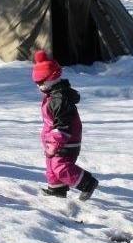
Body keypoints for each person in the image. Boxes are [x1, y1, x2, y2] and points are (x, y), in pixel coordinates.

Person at [33, 51, 98, 200]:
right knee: (51, 166)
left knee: (60, 167)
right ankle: (57, 189)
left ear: (52, 77)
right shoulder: (52, 95)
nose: (39, 86)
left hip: (66, 141)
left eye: (41, 82)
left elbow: (63, 125)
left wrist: (54, 142)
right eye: (37, 83)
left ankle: (87, 183)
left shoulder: (60, 100)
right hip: (54, 140)